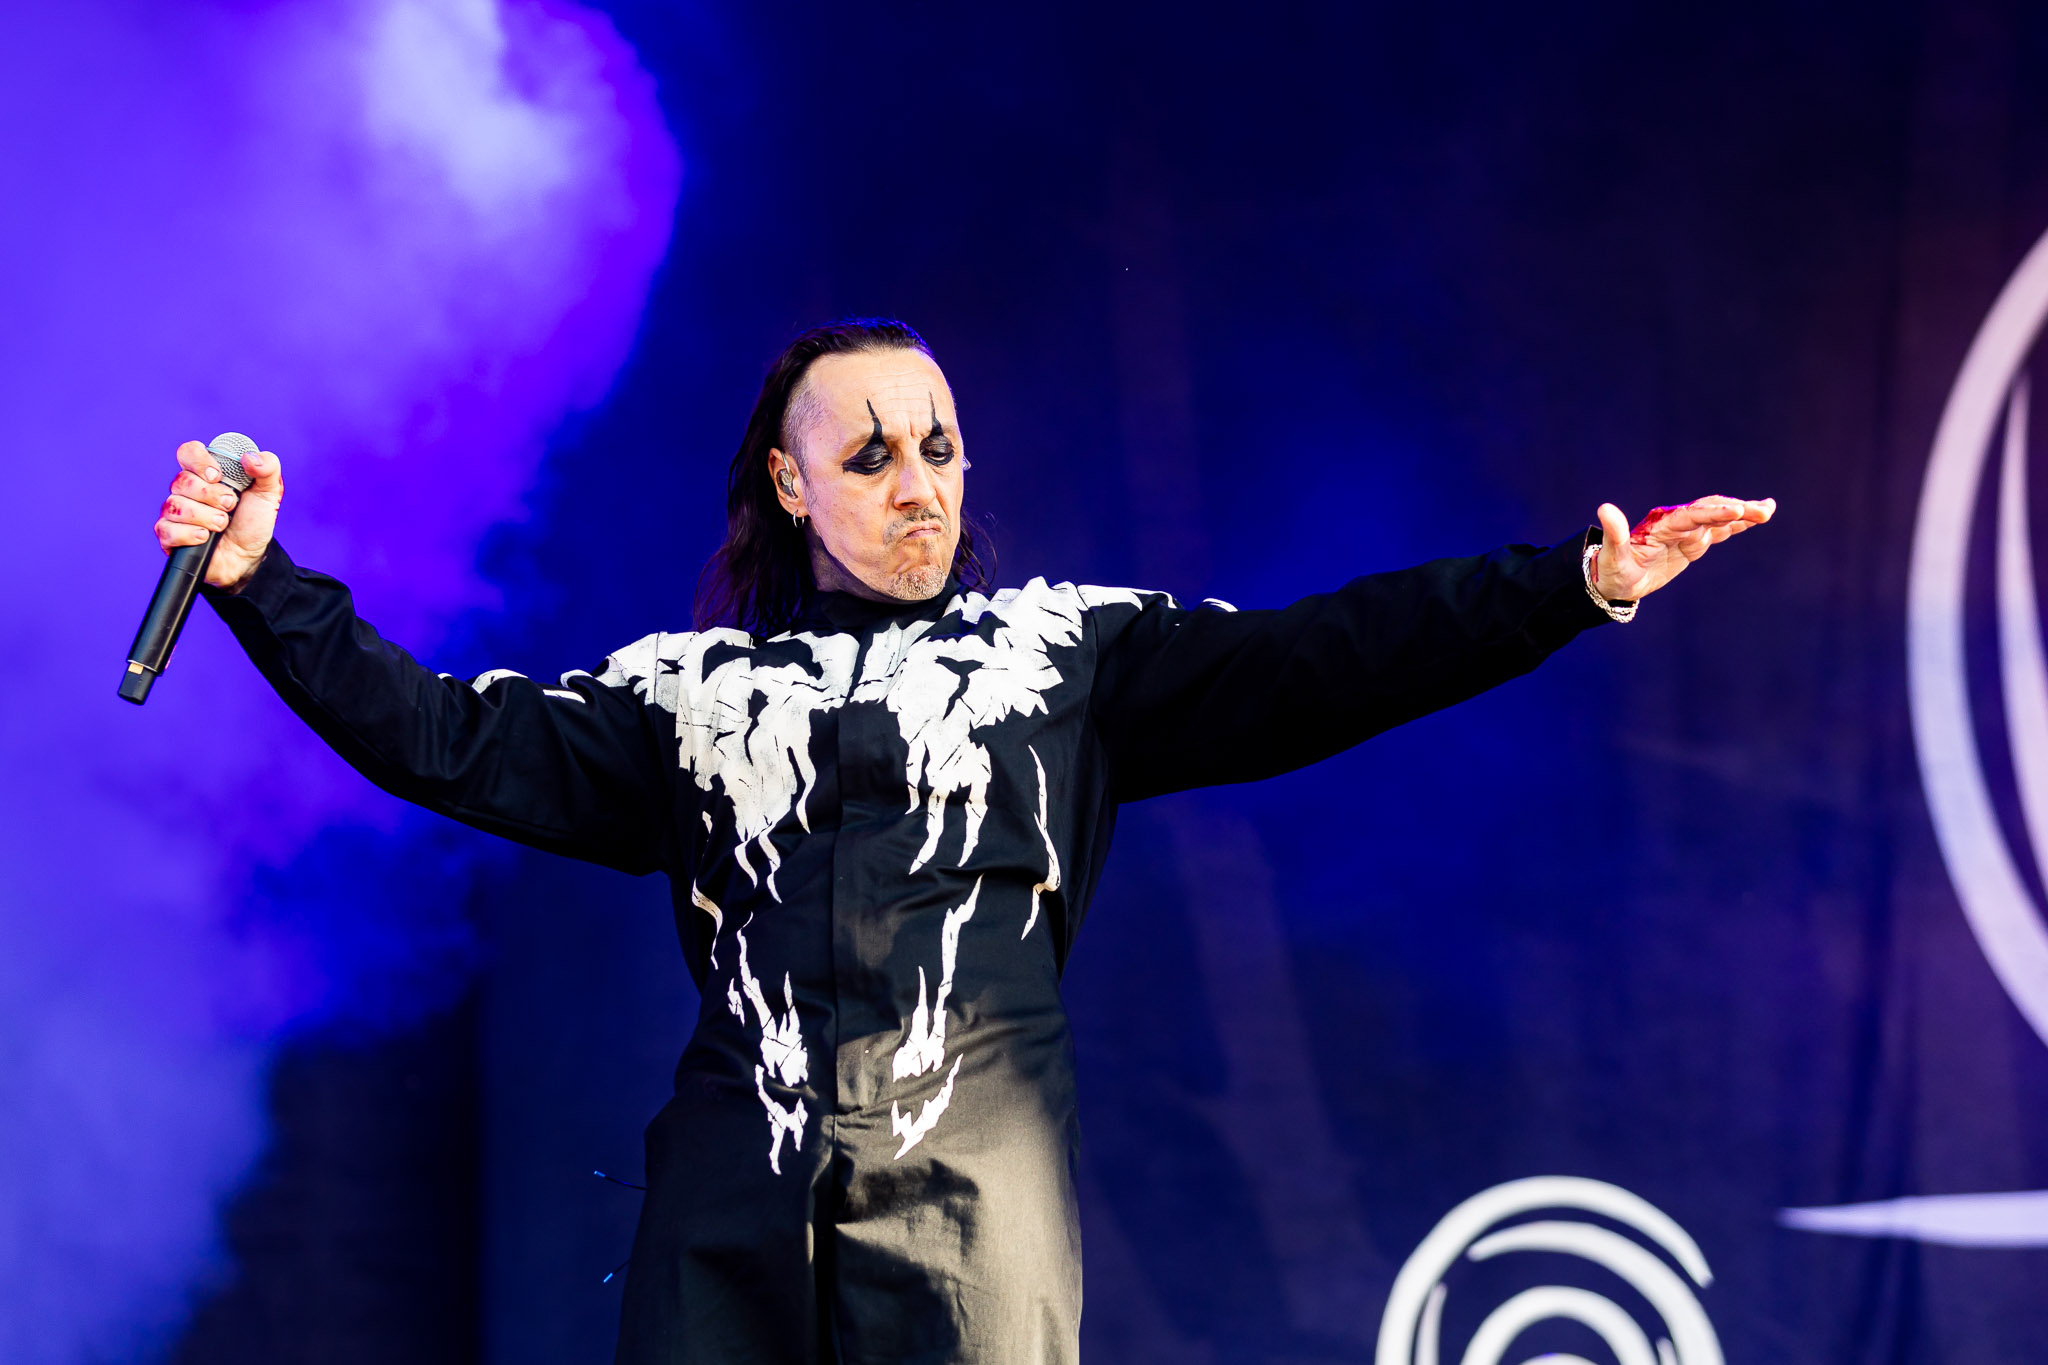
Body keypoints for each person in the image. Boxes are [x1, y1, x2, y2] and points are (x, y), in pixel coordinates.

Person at [153, 317, 1773, 1364]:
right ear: (791, 484)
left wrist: (1572, 584)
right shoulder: (689, 694)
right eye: (867, 455)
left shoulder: (1065, 654)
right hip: (731, 1211)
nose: (917, 484)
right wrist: (259, 585)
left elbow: (1326, 656)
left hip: (968, 1216)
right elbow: (446, 733)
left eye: (937, 446)